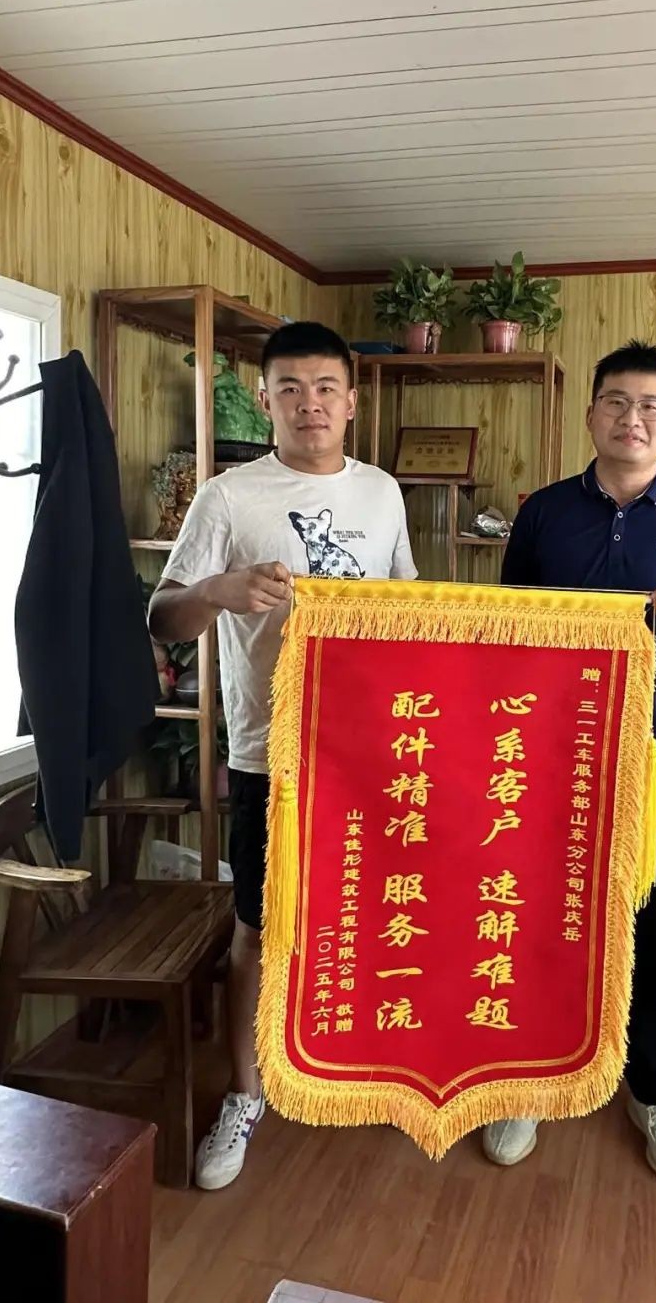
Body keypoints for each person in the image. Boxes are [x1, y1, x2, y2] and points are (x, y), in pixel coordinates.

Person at [484, 340, 656, 1187]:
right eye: (616, 401)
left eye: (650, 406)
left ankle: (653, 1091)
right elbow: (505, 624)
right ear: (592, 413)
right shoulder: (544, 514)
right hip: (551, 765)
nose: (631, 418)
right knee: (542, 924)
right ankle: (534, 1078)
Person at [149, 322, 417, 1190]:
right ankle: (245, 1094)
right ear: (265, 400)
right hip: (274, 755)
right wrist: (219, 590)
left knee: (373, 913)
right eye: (291, 389)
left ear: (352, 400)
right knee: (261, 926)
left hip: (373, 753)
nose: (310, 404)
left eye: (326, 387)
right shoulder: (228, 498)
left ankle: (358, 1063)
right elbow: (163, 617)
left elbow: (411, 611)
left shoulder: (382, 493)